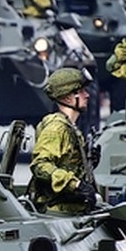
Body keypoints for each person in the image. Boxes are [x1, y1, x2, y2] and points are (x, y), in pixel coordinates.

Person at [30, 67, 97, 214]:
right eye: (81, 91)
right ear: (68, 98)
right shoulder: (56, 128)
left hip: (72, 208)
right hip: (58, 211)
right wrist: (76, 185)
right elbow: (40, 165)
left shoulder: (70, 127)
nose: (87, 95)